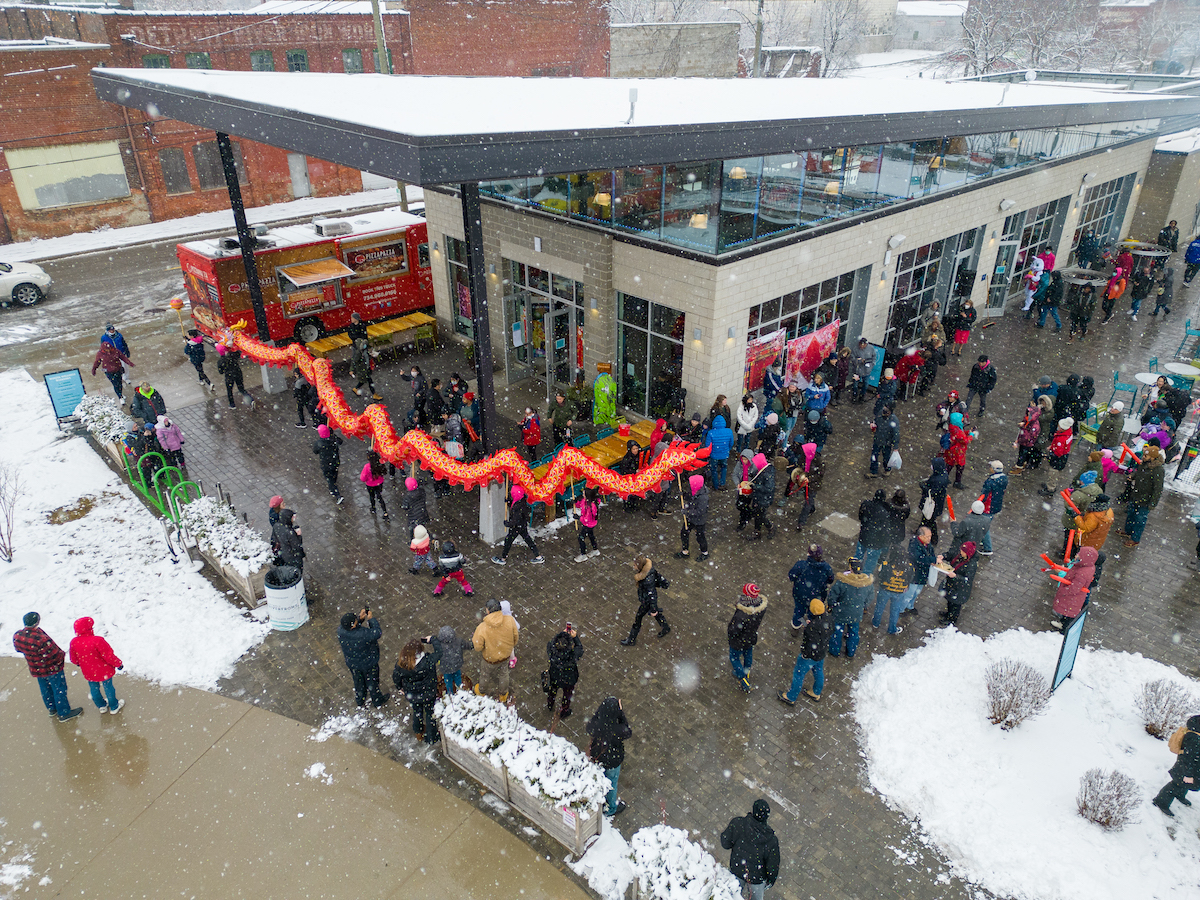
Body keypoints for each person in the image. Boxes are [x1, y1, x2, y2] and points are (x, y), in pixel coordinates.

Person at [13, 612, 83, 721]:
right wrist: (62, 655)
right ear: (37, 622)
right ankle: (64, 713)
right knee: (59, 689)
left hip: (36, 669)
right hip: (51, 669)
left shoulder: (18, 635)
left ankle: (52, 708)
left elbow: (18, 648)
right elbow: (54, 654)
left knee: (45, 688)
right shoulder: (40, 638)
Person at [720, 800, 780, 900]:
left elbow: (725, 843)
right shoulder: (771, 840)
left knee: (731, 894)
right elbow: (773, 864)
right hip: (757, 878)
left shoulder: (738, 823)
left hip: (737, 868)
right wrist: (771, 880)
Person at [68, 616, 125, 715]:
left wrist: (79, 663)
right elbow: (108, 656)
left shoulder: (74, 642)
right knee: (108, 688)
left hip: (89, 671)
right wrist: (118, 663)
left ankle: (101, 706)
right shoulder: (97, 640)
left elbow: (73, 658)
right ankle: (114, 706)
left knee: (94, 689)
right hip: (104, 670)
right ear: (89, 629)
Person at [778, 599, 831, 704]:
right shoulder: (829, 619)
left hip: (809, 656)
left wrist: (804, 655)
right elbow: (821, 633)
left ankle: (791, 697)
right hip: (821, 653)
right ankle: (816, 692)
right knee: (818, 671)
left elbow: (809, 641)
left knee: (799, 674)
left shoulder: (811, 627)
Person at [587, 697, 632, 817]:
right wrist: (621, 713)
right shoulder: (617, 729)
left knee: (599, 778)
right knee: (611, 783)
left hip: (597, 756)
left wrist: (600, 712)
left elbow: (590, 726)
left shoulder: (596, 725)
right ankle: (611, 808)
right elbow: (628, 730)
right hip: (613, 760)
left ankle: (597, 799)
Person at [392, 638, 441, 743]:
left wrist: (400, 688)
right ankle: (431, 737)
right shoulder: (428, 661)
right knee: (429, 713)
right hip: (428, 693)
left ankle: (418, 732)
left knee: (417, 711)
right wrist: (433, 639)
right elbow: (439, 652)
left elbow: (396, 678)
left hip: (412, 695)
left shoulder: (401, 664)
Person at [337, 608, 388, 708]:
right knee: (372, 682)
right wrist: (370, 620)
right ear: (353, 625)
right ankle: (377, 700)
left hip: (353, 663)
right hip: (368, 663)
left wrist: (360, 620)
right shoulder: (363, 634)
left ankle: (360, 699)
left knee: (358, 682)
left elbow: (353, 630)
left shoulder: (341, 631)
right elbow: (377, 633)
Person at [1152, 713, 1200, 816]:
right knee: (1177, 783)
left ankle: (1180, 795)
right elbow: (1189, 757)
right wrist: (1188, 774)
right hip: (1187, 767)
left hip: (1191, 767)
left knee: (1185, 784)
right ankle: (1160, 801)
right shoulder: (1194, 738)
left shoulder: (1196, 732)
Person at [472, 598, 519, 701]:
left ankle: (481, 691)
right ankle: (503, 695)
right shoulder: (510, 620)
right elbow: (515, 637)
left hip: (489, 658)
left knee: (485, 674)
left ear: (488, 611)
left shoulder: (482, 627)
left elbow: (477, 647)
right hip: (505, 655)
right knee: (504, 674)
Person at [827, 557, 874, 657]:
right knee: (853, 632)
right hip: (856, 613)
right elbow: (870, 597)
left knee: (837, 632)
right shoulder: (867, 583)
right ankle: (851, 652)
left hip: (841, 612)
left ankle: (834, 651)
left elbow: (832, 596)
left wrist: (831, 605)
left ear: (851, 569)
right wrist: (864, 606)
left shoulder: (843, 582)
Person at [620, 555, 671, 645]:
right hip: (647, 600)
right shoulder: (649, 571)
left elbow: (652, 595)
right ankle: (665, 627)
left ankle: (631, 639)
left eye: (635, 565)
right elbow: (658, 577)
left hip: (646, 601)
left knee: (638, 618)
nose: (633, 566)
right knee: (657, 615)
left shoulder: (646, 580)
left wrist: (653, 608)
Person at [727, 584, 768, 693]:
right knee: (748, 655)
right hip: (750, 637)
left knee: (734, 658)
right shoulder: (760, 607)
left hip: (738, 640)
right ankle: (746, 672)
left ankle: (743, 679)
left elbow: (734, 630)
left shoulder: (742, 613)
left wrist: (730, 631)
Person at [1122, 444, 1165, 546]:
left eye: (1146, 456)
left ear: (1153, 457)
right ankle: (1128, 531)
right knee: (1131, 514)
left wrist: (1153, 502)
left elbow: (1158, 488)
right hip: (1136, 494)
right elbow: (1138, 473)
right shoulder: (1144, 464)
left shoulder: (1158, 470)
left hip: (1145, 499)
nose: (1143, 457)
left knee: (1140, 519)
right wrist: (1132, 476)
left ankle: (1135, 538)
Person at [492, 485, 544, 565]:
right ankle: (538, 556)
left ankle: (503, 559)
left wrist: (508, 524)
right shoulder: (521, 501)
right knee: (528, 540)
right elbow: (514, 508)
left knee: (508, 541)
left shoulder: (518, 507)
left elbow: (515, 520)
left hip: (516, 527)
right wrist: (509, 502)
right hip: (522, 525)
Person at [1050, 545, 1097, 631]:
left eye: (1078, 555)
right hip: (1074, 597)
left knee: (1068, 614)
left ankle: (1064, 630)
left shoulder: (1082, 573)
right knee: (1067, 612)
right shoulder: (1088, 566)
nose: (1076, 556)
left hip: (1072, 597)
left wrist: (1063, 590)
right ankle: (1063, 624)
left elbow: (1074, 588)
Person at [788, 544, 834, 631]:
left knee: (799, 611)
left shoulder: (801, 565)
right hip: (817, 598)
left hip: (800, 595)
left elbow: (791, 576)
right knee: (813, 614)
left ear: (809, 554)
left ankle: (797, 626)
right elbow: (830, 579)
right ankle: (809, 626)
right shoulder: (826, 568)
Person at [872, 544, 914, 636]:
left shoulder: (885, 564)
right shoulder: (909, 567)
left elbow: (881, 575)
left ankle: (875, 623)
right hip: (899, 592)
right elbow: (910, 578)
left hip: (885, 590)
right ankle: (892, 628)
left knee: (880, 606)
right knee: (895, 610)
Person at [545, 624, 584, 719]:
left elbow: (551, 642)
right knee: (567, 694)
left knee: (552, 690)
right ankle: (564, 710)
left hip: (554, 675)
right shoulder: (572, 655)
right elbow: (579, 647)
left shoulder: (551, 649)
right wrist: (575, 638)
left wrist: (562, 634)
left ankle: (550, 704)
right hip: (569, 679)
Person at [902, 527, 940, 614]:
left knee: (916, 592)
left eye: (930, 536)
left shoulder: (927, 544)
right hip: (914, 574)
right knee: (909, 593)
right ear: (921, 536)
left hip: (922, 574)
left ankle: (910, 606)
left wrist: (934, 559)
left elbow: (930, 554)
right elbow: (918, 558)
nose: (929, 538)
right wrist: (933, 560)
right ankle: (901, 609)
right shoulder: (914, 544)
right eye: (927, 536)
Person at [939, 541, 978, 626]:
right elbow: (951, 555)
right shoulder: (961, 555)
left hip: (960, 588)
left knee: (955, 605)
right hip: (953, 585)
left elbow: (967, 579)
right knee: (950, 601)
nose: (961, 552)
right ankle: (949, 614)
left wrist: (955, 576)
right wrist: (943, 556)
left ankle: (952, 619)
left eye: (963, 552)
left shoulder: (971, 565)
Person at [856, 488, 893, 573]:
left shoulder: (866, 504)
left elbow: (860, 517)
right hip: (875, 543)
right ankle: (865, 578)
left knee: (858, 556)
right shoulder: (884, 513)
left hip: (863, 536)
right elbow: (884, 531)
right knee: (871, 562)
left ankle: (854, 572)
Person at [675, 474, 711, 561]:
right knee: (684, 533)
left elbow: (700, 511)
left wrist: (687, 512)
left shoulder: (703, 497)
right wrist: (683, 495)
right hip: (690, 518)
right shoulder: (694, 489)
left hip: (699, 520)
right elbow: (690, 497)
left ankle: (705, 553)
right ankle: (685, 551)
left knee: (700, 537)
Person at [91, 338, 133, 403]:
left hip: (118, 369)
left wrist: (129, 363)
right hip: (109, 372)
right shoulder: (100, 354)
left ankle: (120, 393)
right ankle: (120, 397)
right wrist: (94, 369)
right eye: (106, 349)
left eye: (109, 349)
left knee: (119, 383)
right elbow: (97, 362)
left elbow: (123, 357)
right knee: (115, 384)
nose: (108, 350)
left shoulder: (115, 351)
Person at [430, 625, 469, 695]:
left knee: (448, 681)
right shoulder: (458, 641)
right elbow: (467, 645)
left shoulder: (440, 646)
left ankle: (450, 693)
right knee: (458, 678)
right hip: (456, 666)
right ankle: (460, 690)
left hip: (446, 669)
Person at [978, 461, 1007, 554]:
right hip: (995, 506)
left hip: (987, 507)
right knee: (985, 524)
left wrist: (978, 503)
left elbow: (984, 495)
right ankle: (983, 542)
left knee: (984, 527)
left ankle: (987, 548)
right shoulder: (1004, 479)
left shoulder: (990, 481)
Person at [312, 424, 345, 503]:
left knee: (329, 479)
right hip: (335, 462)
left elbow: (315, 451)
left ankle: (336, 494)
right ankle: (334, 484)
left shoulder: (319, 443)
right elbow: (341, 441)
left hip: (326, 465)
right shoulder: (333, 439)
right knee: (334, 474)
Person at [215, 344, 255, 409]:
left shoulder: (220, 361)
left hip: (229, 376)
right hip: (238, 372)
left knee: (229, 390)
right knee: (241, 388)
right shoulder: (232, 355)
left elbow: (221, 372)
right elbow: (238, 354)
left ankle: (232, 404)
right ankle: (251, 400)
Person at [943, 411, 973, 489]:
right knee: (960, 467)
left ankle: (944, 479)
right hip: (958, 452)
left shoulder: (953, 427)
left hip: (952, 451)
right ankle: (957, 482)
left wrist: (967, 432)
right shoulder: (958, 431)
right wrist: (971, 435)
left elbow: (961, 435)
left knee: (949, 465)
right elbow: (965, 441)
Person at [703, 414, 734, 490]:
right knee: (724, 469)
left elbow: (707, 446)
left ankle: (716, 485)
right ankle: (722, 483)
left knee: (714, 470)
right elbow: (731, 443)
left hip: (714, 456)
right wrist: (727, 450)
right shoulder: (729, 431)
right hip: (724, 455)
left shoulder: (711, 433)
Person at [868, 405, 899, 477]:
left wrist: (895, 446)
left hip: (886, 442)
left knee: (886, 457)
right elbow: (875, 421)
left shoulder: (894, 420)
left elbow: (896, 434)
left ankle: (887, 469)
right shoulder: (880, 413)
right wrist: (873, 425)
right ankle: (873, 471)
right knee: (874, 456)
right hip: (878, 439)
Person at [573, 485, 601, 562]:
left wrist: (579, 518)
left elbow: (586, 519)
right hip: (589, 524)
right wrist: (576, 502)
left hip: (589, 524)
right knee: (591, 535)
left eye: (584, 494)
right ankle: (595, 550)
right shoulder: (586, 501)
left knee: (581, 538)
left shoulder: (591, 506)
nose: (582, 495)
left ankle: (583, 554)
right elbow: (580, 505)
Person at [850, 337, 875, 403]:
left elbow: (874, 358)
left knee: (865, 385)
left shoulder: (871, 348)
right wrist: (859, 361)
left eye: (863, 345)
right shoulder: (855, 349)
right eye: (861, 344)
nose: (861, 346)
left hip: (866, 371)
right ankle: (854, 396)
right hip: (857, 371)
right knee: (855, 385)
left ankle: (862, 397)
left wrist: (871, 365)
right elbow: (852, 358)